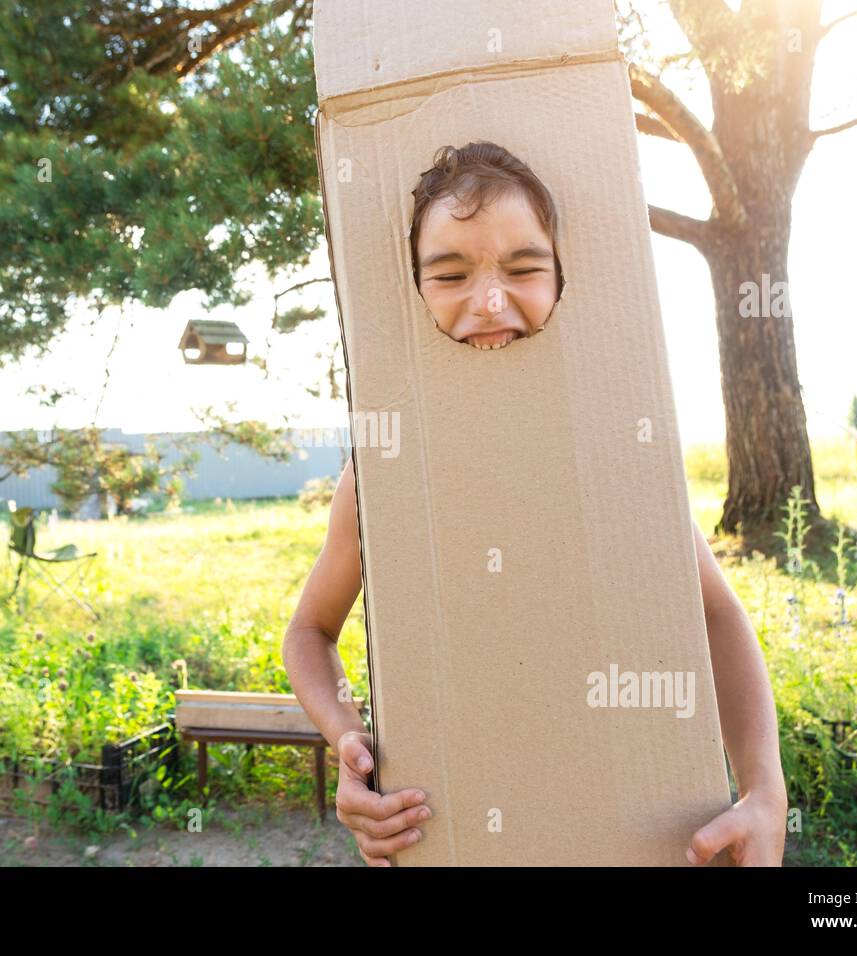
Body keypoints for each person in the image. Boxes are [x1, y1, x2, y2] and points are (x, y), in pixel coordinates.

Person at [282, 141, 787, 867]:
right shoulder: (384, 477)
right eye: (450, 273)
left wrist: (765, 789)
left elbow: (714, 613)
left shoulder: (617, 453)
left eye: (523, 269)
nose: (489, 301)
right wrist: (346, 737)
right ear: (415, 291)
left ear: (562, 279)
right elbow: (310, 630)